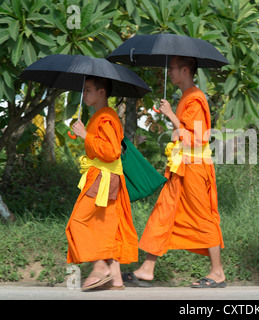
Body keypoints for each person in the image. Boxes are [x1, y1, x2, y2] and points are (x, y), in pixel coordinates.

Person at [123, 55, 226, 288]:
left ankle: (218, 272)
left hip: (195, 168)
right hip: (181, 167)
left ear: (186, 70)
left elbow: (196, 139)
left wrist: (170, 115)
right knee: (164, 212)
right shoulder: (186, 98)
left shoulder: (196, 99)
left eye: (173, 69)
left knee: (203, 217)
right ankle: (147, 269)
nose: (170, 73)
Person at [66, 76, 138, 290]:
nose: (84, 94)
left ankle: (100, 265)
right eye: (84, 90)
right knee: (107, 228)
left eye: (88, 89)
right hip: (104, 177)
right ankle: (115, 278)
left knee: (78, 223)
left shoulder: (106, 117)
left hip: (103, 178)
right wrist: (85, 134)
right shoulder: (101, 116)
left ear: (102, 92)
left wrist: (85, 135)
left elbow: (111, 151)